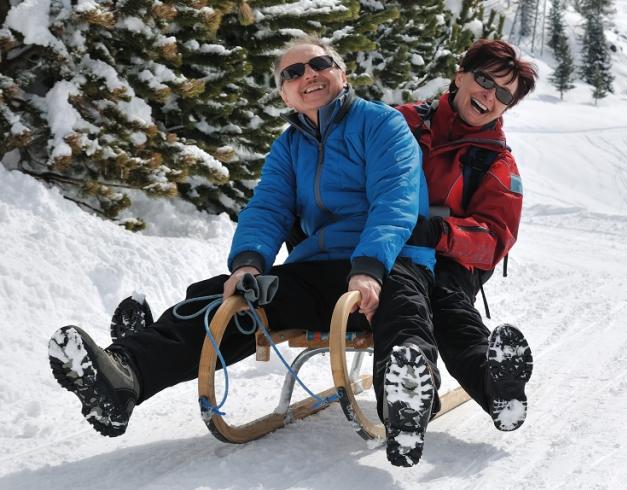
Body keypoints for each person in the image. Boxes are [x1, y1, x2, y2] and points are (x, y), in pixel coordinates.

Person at [48, 37, 441, 467]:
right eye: (292, 73)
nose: (307, 75)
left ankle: (403, 406)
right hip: (315, 270)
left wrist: (368, 269)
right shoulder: (289, 147)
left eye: (319, 64)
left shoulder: (380, 125)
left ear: (341, 74)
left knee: (401, 306)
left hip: (389, 261)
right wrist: (249, 263)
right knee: (224, 299)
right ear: (284, 94)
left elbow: (394, 201)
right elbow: (268, 208)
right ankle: (126, 377)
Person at [396, 39, 537, 432]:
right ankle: (410, 383)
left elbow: (495, 236)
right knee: (405, 296)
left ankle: (494, 383)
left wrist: (440, 232)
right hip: (387, 246)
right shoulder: (400, 123)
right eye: (485, 80)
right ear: (460, 75)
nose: (490, 96)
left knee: (445, 304)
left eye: (504, 94)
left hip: (450, 260)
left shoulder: (496, 161)